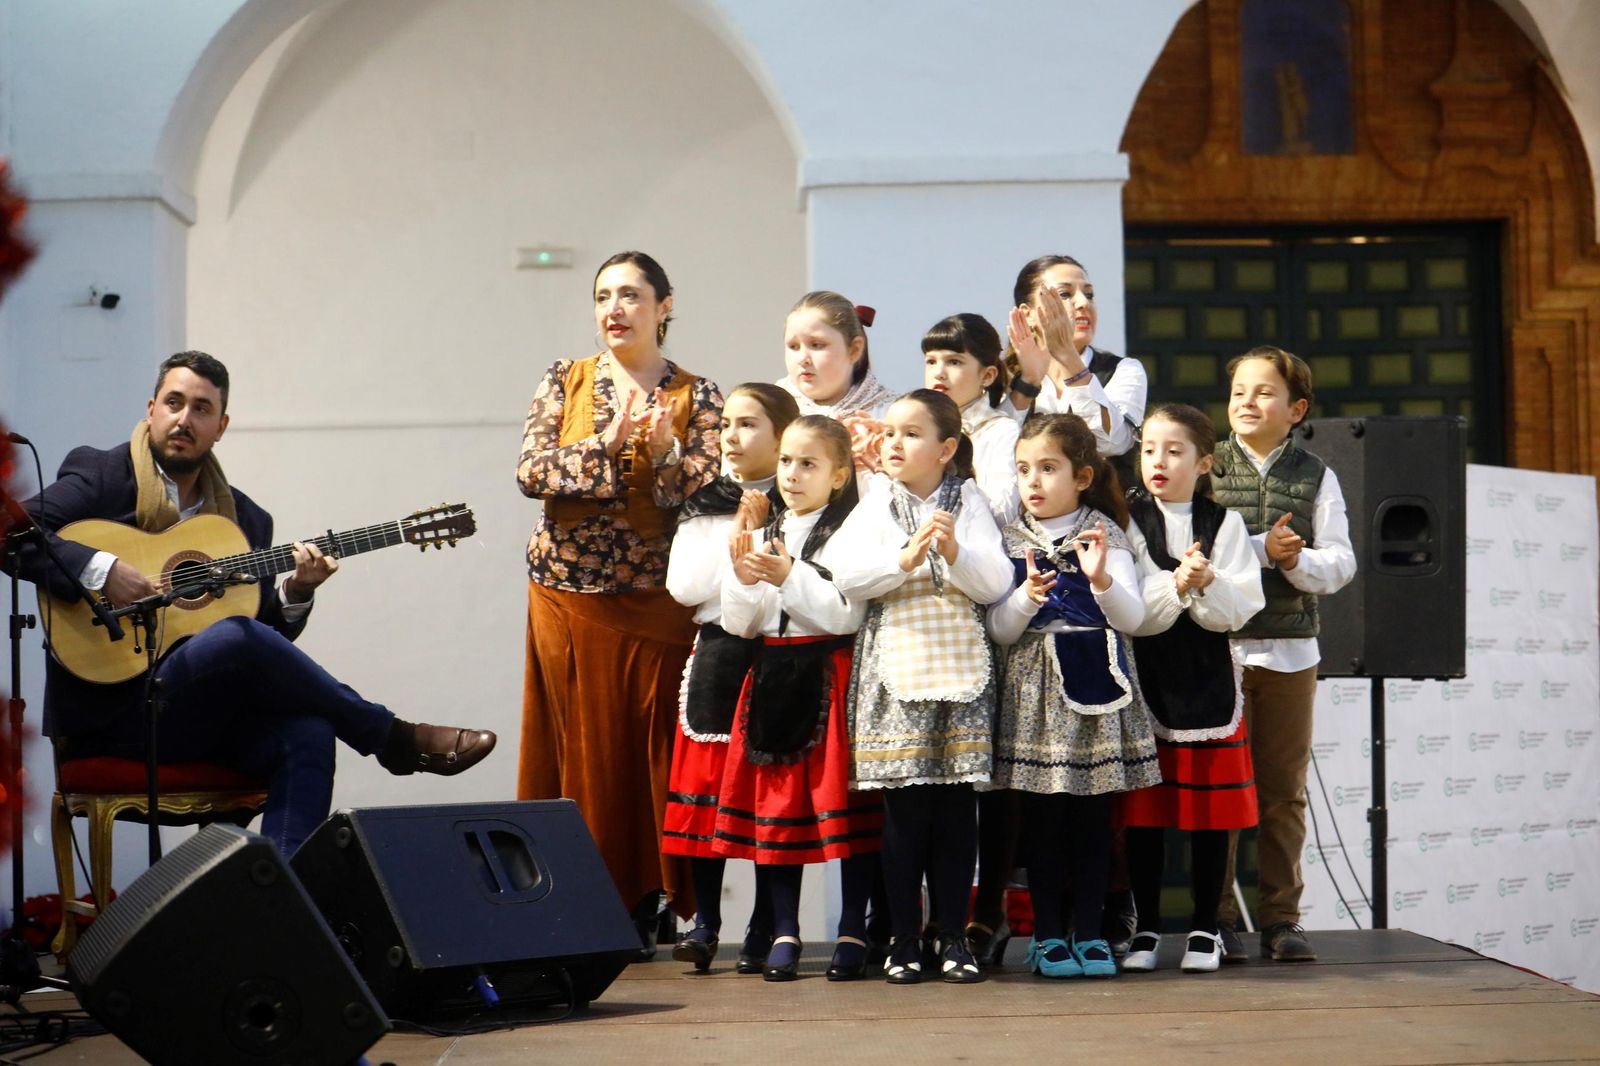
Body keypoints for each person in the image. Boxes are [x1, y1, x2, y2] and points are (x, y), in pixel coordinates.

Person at [6, 351, 496, 856]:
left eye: (201, 409)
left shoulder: (246, 521)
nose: (183, 419)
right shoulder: (102, 476)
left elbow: (262, 650)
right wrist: (103, 571)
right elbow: (11, 534)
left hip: (197, 716)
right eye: (173, 403)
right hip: (114, 717)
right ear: (151, 408)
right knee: (236, 639)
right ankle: (390, 736)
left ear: (221, 426)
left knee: (309, 731)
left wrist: (295, 594)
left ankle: (279, 911)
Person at [515, 251, 724, 954]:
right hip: (566, 596)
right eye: (605, 295)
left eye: (632, 295)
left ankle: (654, 900)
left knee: (654, 759)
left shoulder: (699, 395)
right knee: (579, 755)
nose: (616, 308)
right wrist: (606, 443)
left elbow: (702, 495)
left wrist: (664, 455)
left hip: (654, 601)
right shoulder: (564, 379)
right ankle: (578, 903)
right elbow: (531, 471)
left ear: (664, 306)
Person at [833, 390, 1013, 985]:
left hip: (960, 671)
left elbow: (994, 583)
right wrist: (904, 559)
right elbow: (848, 575)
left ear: (947, 449)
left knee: (958, 812)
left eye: (910, 434)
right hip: (896, 670)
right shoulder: (875, 501)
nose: (894, 444)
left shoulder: (970, 501)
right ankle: (905, 938)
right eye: (889, 434)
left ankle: (954, 935)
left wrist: (955, 549)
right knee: (904, 814)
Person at [986, 414, 1159, 979]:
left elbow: (1133, 618)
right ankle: (1047, 937)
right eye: (1023, 469)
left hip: (1096, 692)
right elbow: (1001, 631)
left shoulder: (1106, 535)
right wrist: (1026, 599)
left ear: (1083, 475)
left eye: (1048, 468)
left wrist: (1102, 579)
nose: (1032, 481)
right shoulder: (1010, 539)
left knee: (1091, 821)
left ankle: (1090, 933)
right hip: (1034, 694)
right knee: (1042, 823)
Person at [714, 415, 880, 981]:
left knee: (848, 813)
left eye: (808, 463)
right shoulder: (765, 531)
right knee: (777, 812)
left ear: (838, 476)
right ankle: (784, 928)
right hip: (772, 674)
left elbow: (843, 611)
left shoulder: (854, 529)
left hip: (830, 673)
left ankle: (854, 926)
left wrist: (788, 574)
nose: (791, 473)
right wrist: (741, 577)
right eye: (786, 461)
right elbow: (741, 624)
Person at [1212, 346, 1355, 963]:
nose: (1247, 401)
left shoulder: (1316, 474)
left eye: (1264, 392)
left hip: (1291, 652)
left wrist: (1298, 561)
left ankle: (1281, 918)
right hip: (1216, 652)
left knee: (1282, 791)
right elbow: (1191, 547)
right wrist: (1263, 548)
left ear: (1296, 409)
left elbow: (1342, 561)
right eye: (1240, 390)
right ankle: (1214, 918)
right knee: (1217, 789)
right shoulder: (1206, 465)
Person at [1120, 404, 1265, 974]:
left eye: (1175, 451)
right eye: (1150, 448)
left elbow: (1238, 608)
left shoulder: (1223, 524)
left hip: (1208, 684)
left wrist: (1205, 585)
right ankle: (1147, 929)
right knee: (1145, 818)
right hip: (1144, 681)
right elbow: (1130, 605)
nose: (1159, 460)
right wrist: (1172, 587)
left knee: (1209, 816)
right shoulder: (1127, 520)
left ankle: (1206, 925)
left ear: (1204, 462)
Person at [662, 383, 796, 973]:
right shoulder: (706, 501)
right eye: (727, 426)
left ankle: (766, 923)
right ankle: (705, 921)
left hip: (781, 655)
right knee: (705, 798)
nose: (732, 438)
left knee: (768, 796)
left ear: (782, 435)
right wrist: (739, 535)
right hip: (718, 652)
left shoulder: (805, 499)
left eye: (749, 425)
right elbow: (686, 588)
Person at [1003, 255, 1147, 489]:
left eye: (1089, 294)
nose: (1083, 303)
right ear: (1028, 313)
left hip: (1104, 518)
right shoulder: (1004, 377)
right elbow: (999, 455)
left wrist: (1069, 358)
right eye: (1065, 294)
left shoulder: (1122, 370)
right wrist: (1027, 383)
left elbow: (1112, 444)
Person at [777, 292, 897, 473]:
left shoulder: (890, 414)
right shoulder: (771, 408)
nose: (803, 358)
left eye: (817, 345)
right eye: (793, 346)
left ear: (855, 349)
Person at [922, 313, 1020, 526]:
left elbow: (1003, 513)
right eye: (931, 361)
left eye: (954, 362)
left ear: (987, 375)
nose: (938, 372)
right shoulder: (912, 426)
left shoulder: (1001, 431)